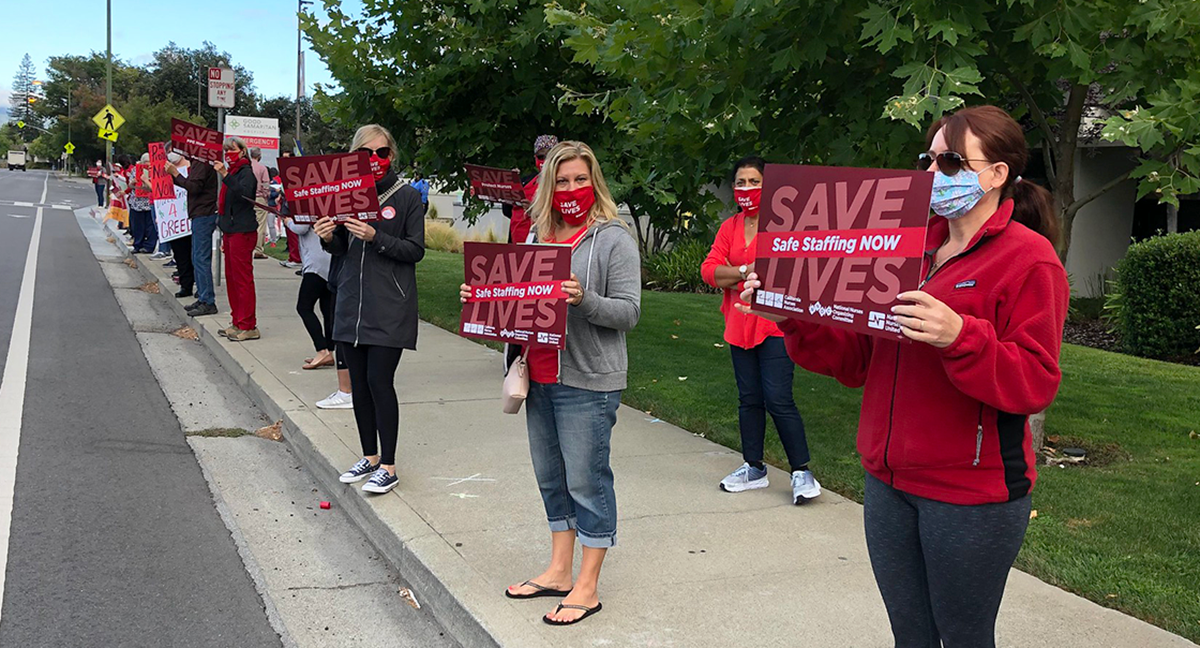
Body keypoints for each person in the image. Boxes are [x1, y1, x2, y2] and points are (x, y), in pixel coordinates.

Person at [737, 105, 1069, 647]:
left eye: (953, 161)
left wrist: (959, 336)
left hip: (971, 495)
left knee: (963, 637)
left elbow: (1034, 382)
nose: (935, 172)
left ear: (998, 174)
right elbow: (856, 362)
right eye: (930, 159)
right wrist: (793, 316)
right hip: (888, 483)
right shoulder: (904, 246)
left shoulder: (1029, 261)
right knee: (910, 635)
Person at [462, 141, 640, 626]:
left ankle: (588, 585)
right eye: (562, 181)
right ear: (548, 185)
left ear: (595, 182)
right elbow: (519, 302)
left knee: (588, 480)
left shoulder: (613, 238)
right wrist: (482, 298)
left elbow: (629, 313)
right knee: (552, 478)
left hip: (588, 379)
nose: (571, 189)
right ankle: (560, 570)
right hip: (538, 374)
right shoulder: (539, 235)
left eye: (580, 179)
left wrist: (584, 300)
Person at [701, 156, 820, 504]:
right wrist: (744, 271)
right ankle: (753, 468)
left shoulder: (784, 227)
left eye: (754, 182)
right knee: (749, 399)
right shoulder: (730, 228)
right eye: (741, 183)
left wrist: (737, 273)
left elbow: (786, 273)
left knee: (779, 398)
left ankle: (801, 471)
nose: (747, 189)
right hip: (739, 324)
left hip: (775, 326)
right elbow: (709, 271)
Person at [315, 124, 424, 495]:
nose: (374, 160)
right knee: (358, 387)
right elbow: (340, 250)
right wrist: (329, 236)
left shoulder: (406, 196)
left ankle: (389, 465)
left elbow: (415, 250)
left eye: (381, 153)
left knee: (380, 382)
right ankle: (370, 457)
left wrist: (377, 237)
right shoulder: (344, 195)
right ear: (354, 157)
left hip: (389, 306)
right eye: (366, 154)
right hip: (350, 304)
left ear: (390, 155)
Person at [215, 137, 260, 341]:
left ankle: (249, 324)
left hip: (242, 230)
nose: (228, 154)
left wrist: (225, 175)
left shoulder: (246, 172)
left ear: (242, 151)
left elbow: (245, 194)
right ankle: (237, 321)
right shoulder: (233, 172)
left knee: (242, 279)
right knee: (232, 279)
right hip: (231, 230)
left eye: (231, 150)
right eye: (225, 151)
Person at [168, 150, 221, 317]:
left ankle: (207, 300)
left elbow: (194, 187)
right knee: (197, 256)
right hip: (201, 213)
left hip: (204, 214)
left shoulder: (202, 163)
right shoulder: (201, 162)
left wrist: (175, 174)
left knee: (200, 258)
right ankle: (203, 297)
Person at [284, 206, 336, 370]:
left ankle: (321, 350)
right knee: (327, 309)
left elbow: (300, 227)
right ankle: (330, 351)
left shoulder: (307, 202)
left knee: (304, 307)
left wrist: (287, 221)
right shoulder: (327, 201)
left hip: (316, 264)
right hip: (330, 262)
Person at [501, 134, 557, 245]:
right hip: (515, 242)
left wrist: (534, 211)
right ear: (535, 157)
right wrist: (510, 187)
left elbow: (560, 217)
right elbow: (508, 211)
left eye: (549, 156)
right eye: (541, 157)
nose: (544, 160)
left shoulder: (560, 183)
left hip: (542, 243)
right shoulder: (526, 181)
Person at [157, 151, 195, 300]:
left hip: (189, 218)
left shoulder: (191, 169)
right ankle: (186, 285)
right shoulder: (166, 171)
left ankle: (198, 284)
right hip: (173, 221)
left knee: (195, 255)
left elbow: (192, 187)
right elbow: (161, 193)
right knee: (180, 254)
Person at [249, 147, 272, 259]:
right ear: (259, 156)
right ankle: (258, 249)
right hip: (259, 198)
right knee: (260, 224)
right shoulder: (262, 168)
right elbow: (266, 185)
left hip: (246, 198)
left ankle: (247, 247)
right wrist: (266, 195)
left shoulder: (246, 167)